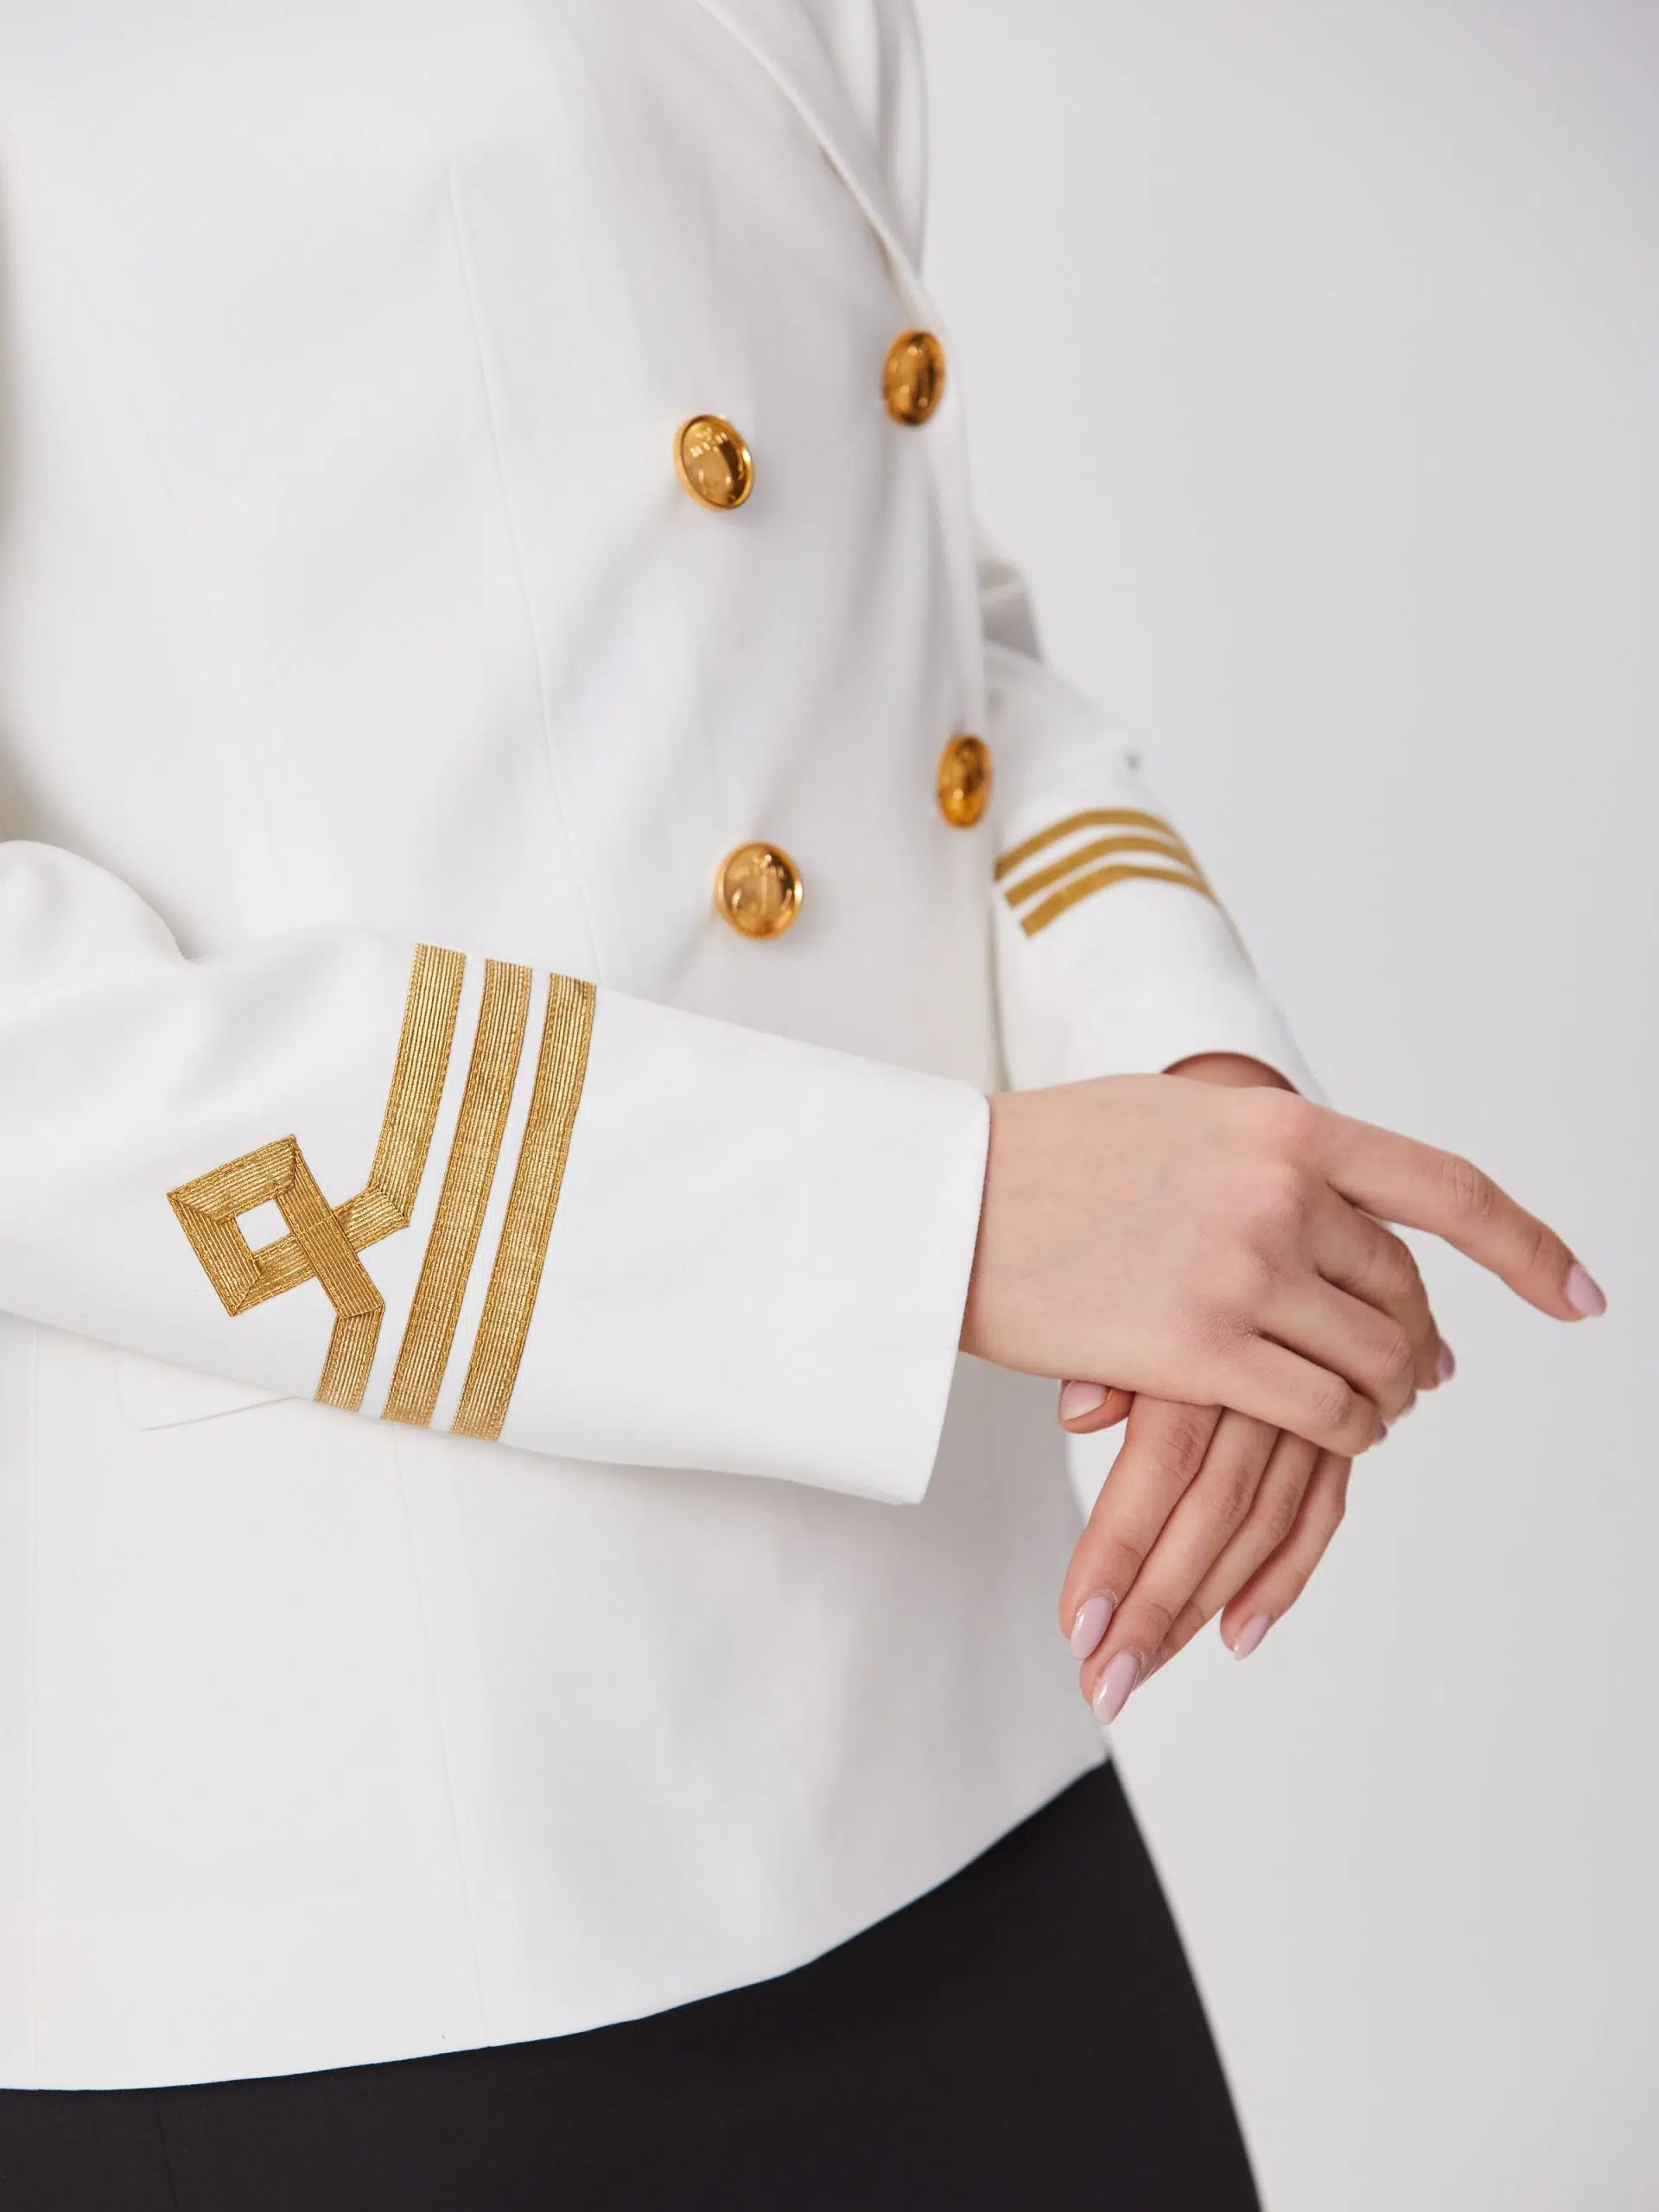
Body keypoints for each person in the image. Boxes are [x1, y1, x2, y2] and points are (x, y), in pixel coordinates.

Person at [0, 3, 1602, 2204]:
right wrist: (927, 1223)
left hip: (968, 1734)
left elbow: (905, 618)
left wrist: (1180, 1085)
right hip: (387, 1884)